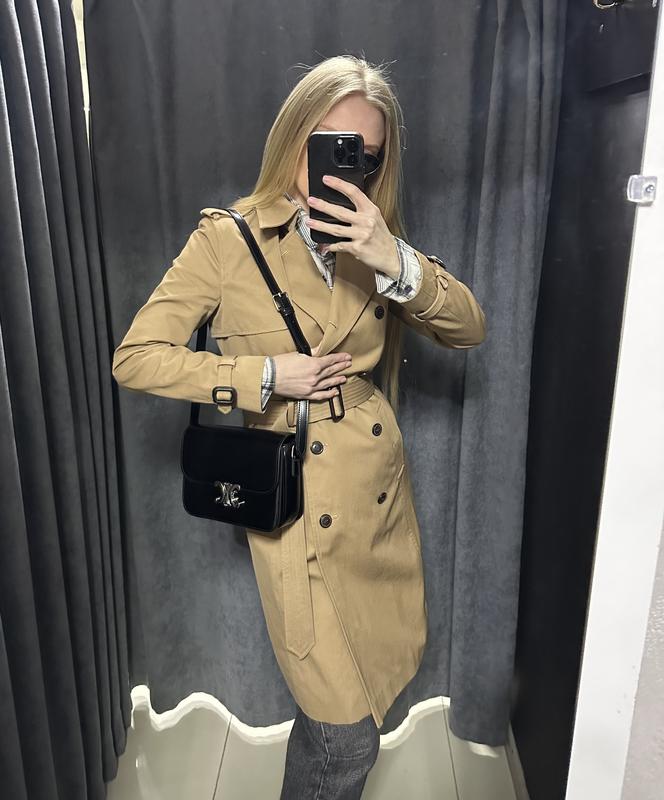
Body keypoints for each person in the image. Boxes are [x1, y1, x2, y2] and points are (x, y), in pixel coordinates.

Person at [112, 54, 486, 799]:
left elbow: (469, 328)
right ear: (294, 136)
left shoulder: (376, 241)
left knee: (356, 714)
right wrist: (261, 377)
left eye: (366, 156)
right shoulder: (229, 239)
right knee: (345, 734)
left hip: (375, 495)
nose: (347, 167)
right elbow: (136, 357)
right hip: (297, 507)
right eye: (330, 143)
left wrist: (393, 256)